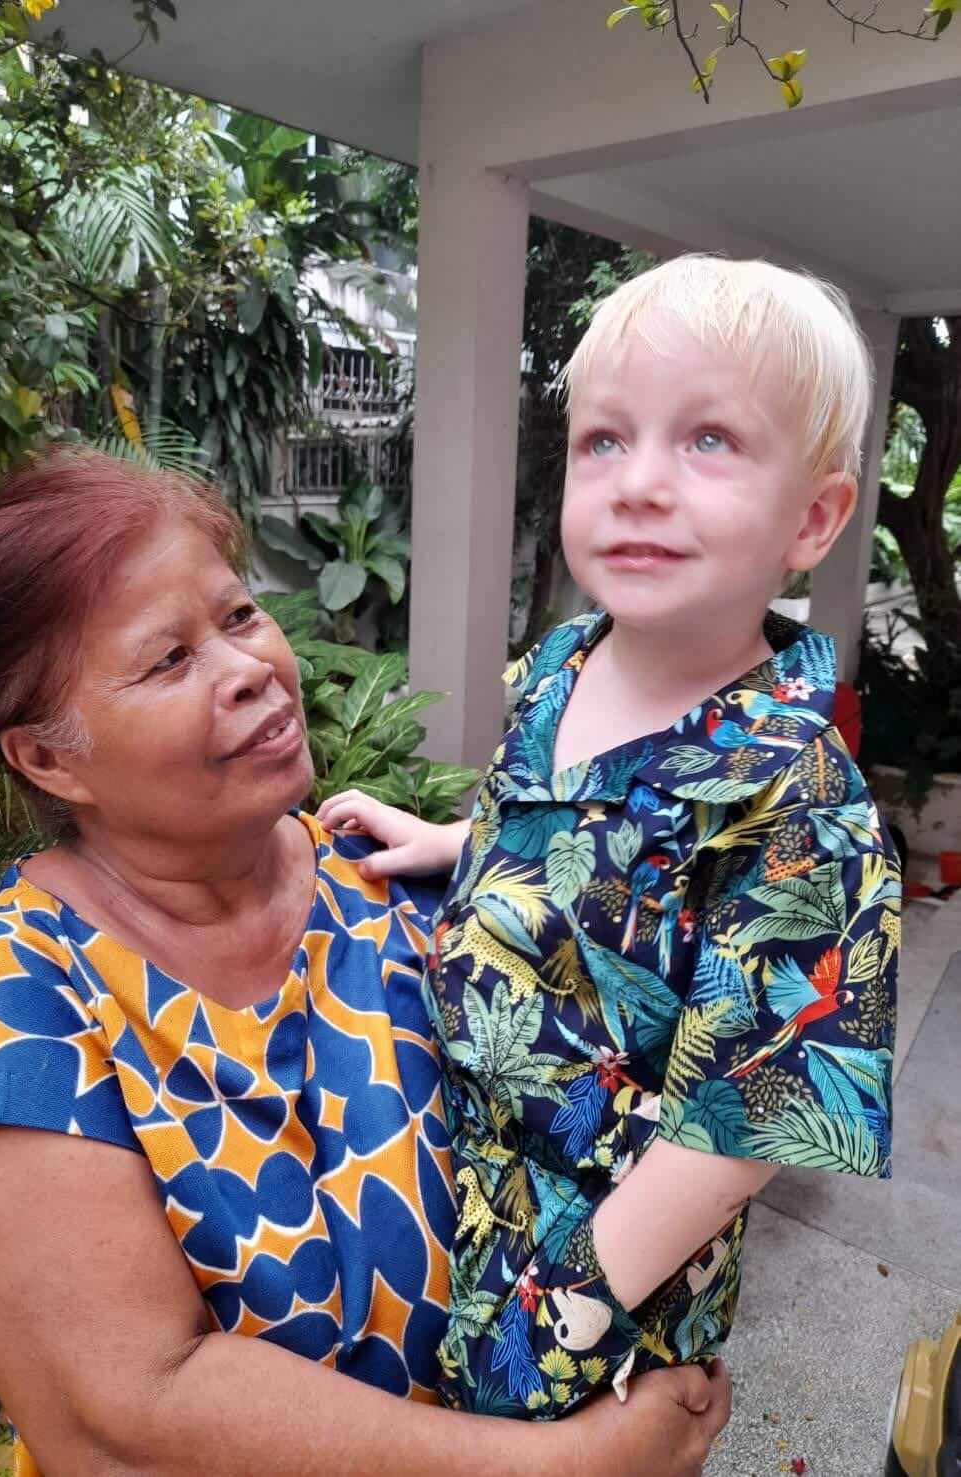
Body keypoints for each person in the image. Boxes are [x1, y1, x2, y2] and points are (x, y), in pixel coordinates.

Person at [0, 450, 731, 1476]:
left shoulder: (389, 876)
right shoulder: (14, 988)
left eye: (235, 616)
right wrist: (558, 1466)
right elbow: (128, 1414)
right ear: (47, 757)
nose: (249, 670)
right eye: (168, 659)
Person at [317, 255, 901, 1418]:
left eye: (708, 441)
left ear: (814, 518)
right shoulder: (560, 664)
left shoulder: (798, 800)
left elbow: (756, 1113)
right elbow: (550, 817)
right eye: (604, 441)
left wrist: (561, 1312)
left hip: (595, 1281)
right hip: (453, 1179)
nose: (637, 484)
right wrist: (450, 837)